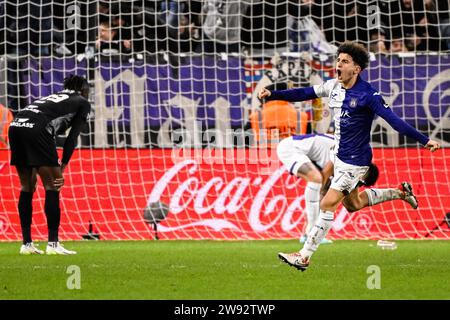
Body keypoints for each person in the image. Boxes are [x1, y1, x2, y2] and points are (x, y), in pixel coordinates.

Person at [258, 41, 441, 271]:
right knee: (353, 204)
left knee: (327, 203)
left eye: (344, 61)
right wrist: (273, 94)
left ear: (357, 69)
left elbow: (395, 122)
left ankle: (304, 256)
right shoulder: (333, 86)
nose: (338, 65)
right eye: (338, 60)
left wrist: (424, 140)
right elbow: (304, 92)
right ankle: (399, 192)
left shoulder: (369, 95)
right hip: (339, 155)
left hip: (356, 161)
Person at [8, 75, 91, 255]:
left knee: (27, 186)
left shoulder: (54, 97)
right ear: (82, 90)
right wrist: (63, 165)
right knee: (53, 186)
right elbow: (72, 137)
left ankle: (26, 244)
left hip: (16, 125)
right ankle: (53, 244)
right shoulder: (82, 102)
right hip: (38, 129)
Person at [277, 134, 335, 244]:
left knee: (320, 188)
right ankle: (311, 233)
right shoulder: (341, 152)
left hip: (303, 152)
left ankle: (307, 233)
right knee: (317, 179)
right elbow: (325, 176)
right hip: (291, 148)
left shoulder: (344, 147)